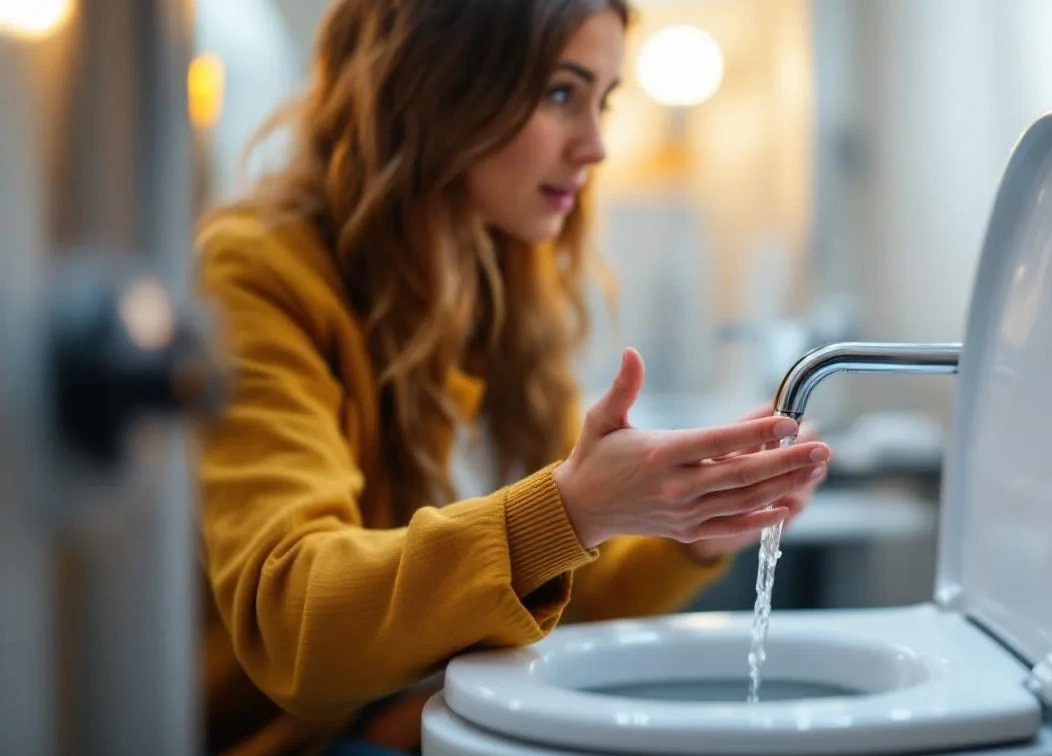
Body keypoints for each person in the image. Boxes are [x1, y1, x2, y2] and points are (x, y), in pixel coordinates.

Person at [193, 1, 831, 754]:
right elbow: (293, 619)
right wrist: (566, 512)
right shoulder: (255, 272)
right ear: (438, 83)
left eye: (603, 100)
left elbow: (561, 596)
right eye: (562, 93)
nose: (596, 146)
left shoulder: (506, 288)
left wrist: (698, 525)